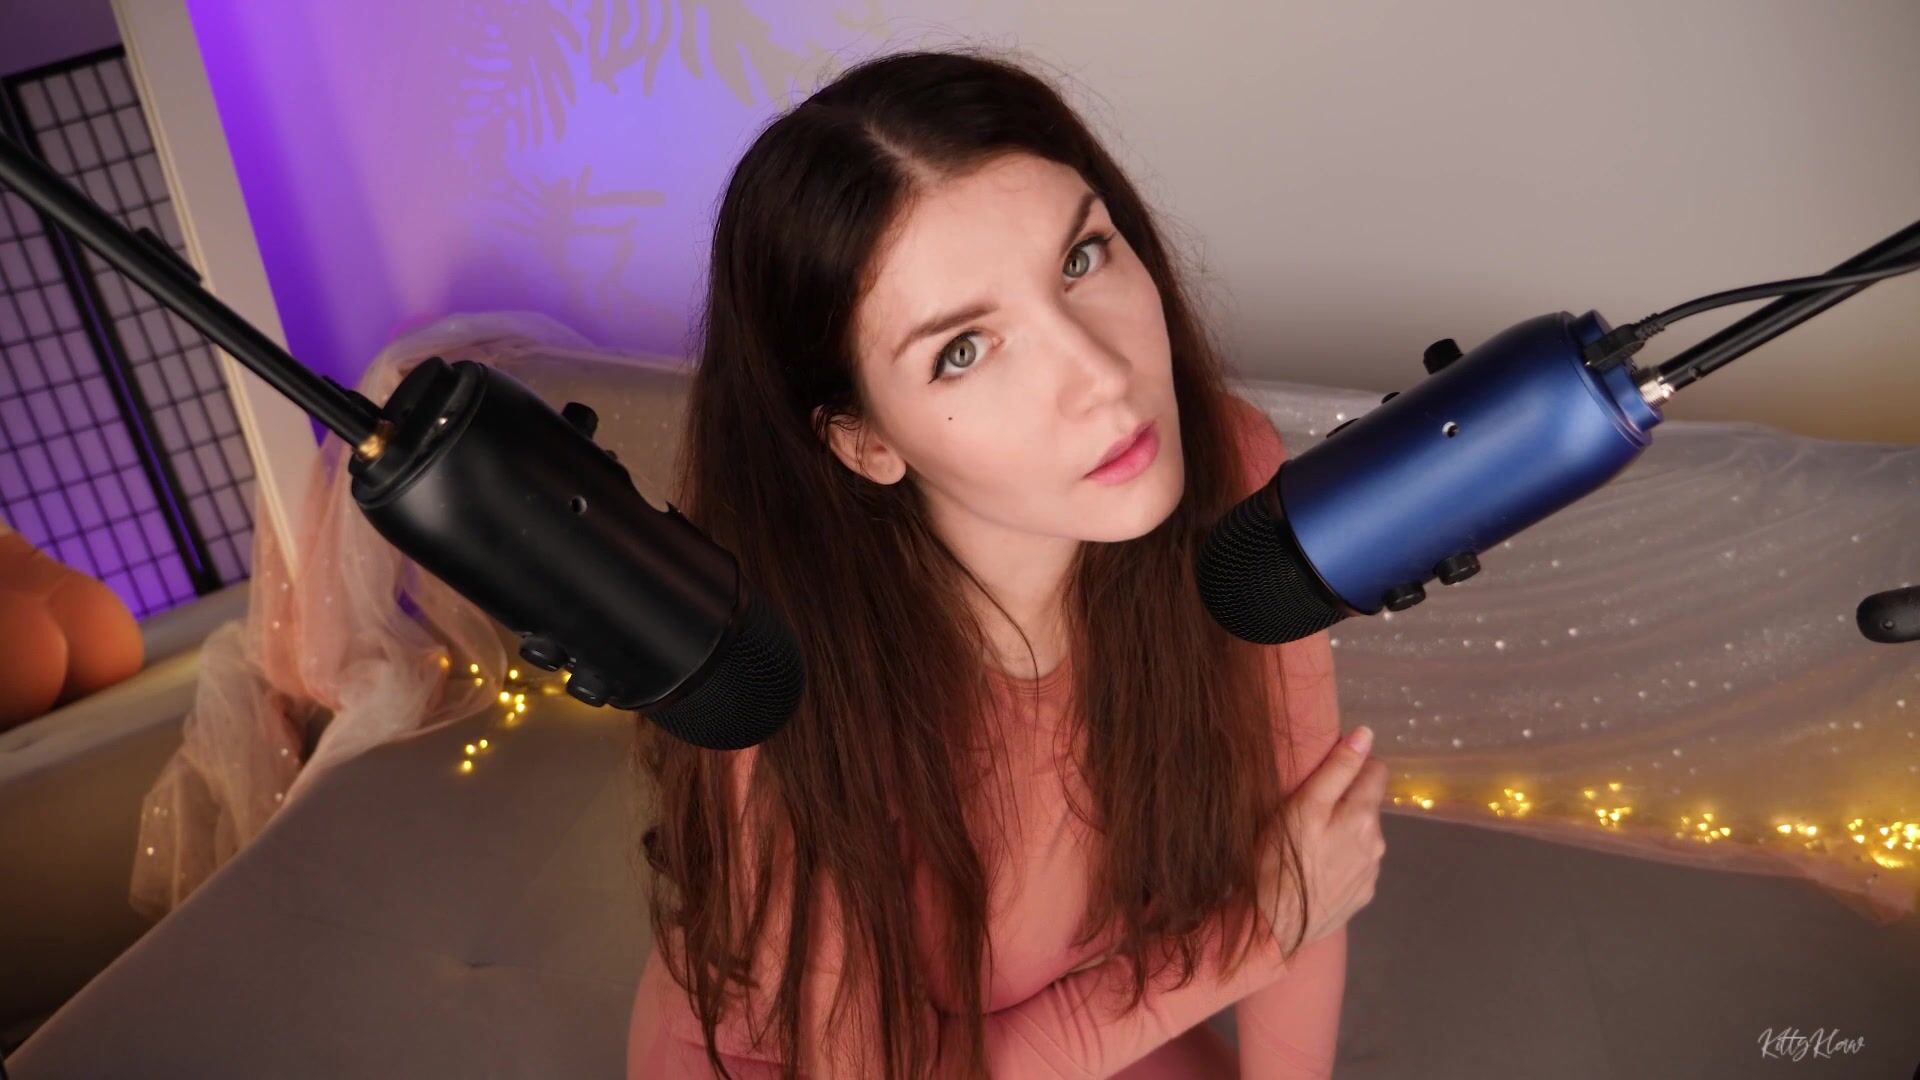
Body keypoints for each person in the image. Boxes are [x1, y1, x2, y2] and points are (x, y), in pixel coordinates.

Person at [627, 46, 1387, 1079]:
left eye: (1082, 259)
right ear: (864, 440)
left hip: (1085, 1017)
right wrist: (1253, 933)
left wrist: (1275, 926)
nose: (1102, 375)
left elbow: (1310, 865)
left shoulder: (1232, 470)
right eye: (963, 350)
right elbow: (1288, 908)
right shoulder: (777, 682)